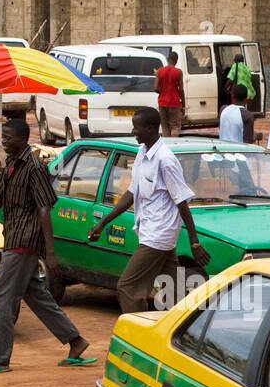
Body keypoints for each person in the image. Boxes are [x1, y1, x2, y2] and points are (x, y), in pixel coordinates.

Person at [0, 119, 93, 373]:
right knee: (36, 296)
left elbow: (45, 209)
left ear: (22, 139)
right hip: (13, 237)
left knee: (1, 299)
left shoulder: (34, 167)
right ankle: (76, 341)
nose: (3, 141)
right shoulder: (11, 163)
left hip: (25, 242)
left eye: (8, 138)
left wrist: (50, 252)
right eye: (3, 137)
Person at [88, 107, 211, 313]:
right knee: (174, 293)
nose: (133, 132)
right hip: (151, 232)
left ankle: (138, 336)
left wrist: (194, 241)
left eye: (136, 128)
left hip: (158, 236)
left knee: (127, 288)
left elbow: (182, 201)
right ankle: (186, 332)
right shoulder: (142, 153)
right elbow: (130, 194)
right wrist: (102, 223)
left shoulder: (165, 160)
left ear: (151, 128)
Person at [155, 50, 185, 138]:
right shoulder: (178, 72)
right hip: (175, 103)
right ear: (176, 60)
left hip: (162, 103)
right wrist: (183, 105)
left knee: (165, 127)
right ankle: (174, 144)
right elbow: (181, 90)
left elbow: (156, 88)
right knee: (175, 126)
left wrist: (163, 92)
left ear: (168, 59)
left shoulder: (160, 71)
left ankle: (167, 145)